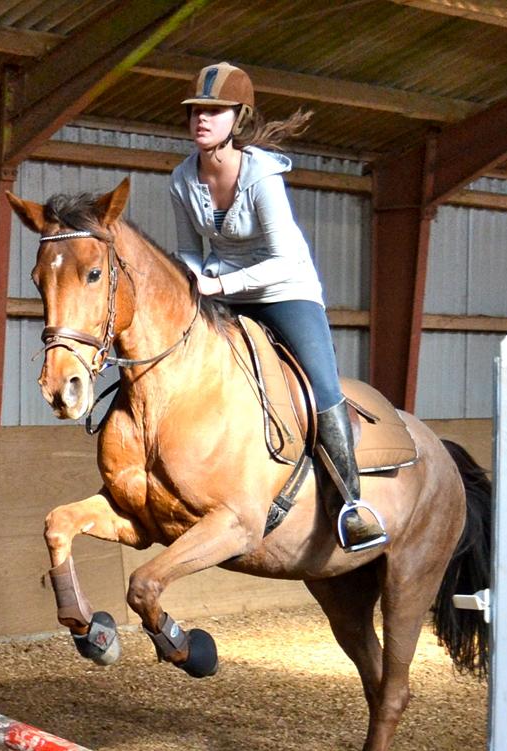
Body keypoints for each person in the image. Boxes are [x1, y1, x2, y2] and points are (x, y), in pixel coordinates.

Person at [169, 62, 386, 552]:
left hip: (285, 290)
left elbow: (282, 258)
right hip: (220, 291)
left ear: (238, 118)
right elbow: (187, 248)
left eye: (213, 111)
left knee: (321, 383)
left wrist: (219, 283)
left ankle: (351, 503)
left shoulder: (263, 176)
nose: (201, 120)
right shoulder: (182, 179)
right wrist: (192, 276)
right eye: (195, 112)